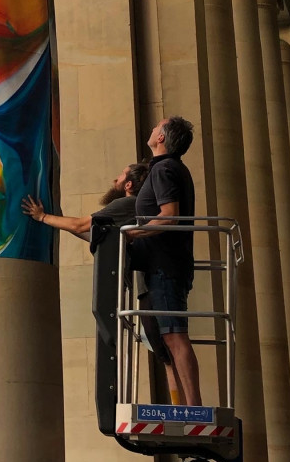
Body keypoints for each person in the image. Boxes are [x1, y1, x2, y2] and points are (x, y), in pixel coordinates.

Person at [22, 164, 184, 404]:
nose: (114, 179)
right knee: (165, 353)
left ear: (128, 185)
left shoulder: (126, 204)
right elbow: (94, 235)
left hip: (151, 283)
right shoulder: (135, 206)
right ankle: (179, 405)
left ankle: (184, 405)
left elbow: (81, 225)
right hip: (146, 284)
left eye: (119, 176)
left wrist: (43, 217)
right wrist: (58, 220)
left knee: (168, 349)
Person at [127, 116, 201, 406]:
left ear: (162, 138)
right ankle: (186, 406)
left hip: (165, 266)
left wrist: (132, 233)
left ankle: (194, 407)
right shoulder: (170, 168)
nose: (153, 127)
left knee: (175, 337)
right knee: (169, 339)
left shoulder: (164, 169)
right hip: (166, 265)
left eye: (157, 125)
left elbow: (169, 214)